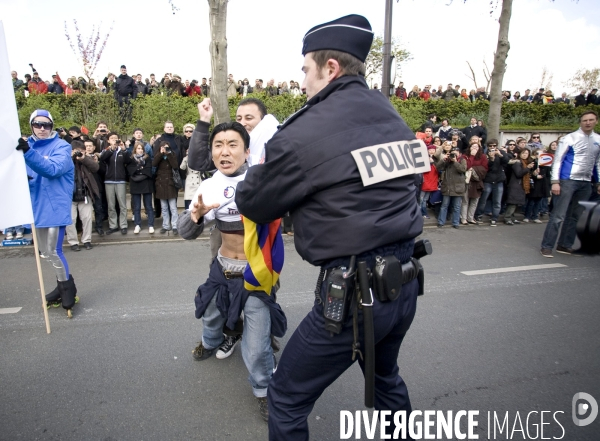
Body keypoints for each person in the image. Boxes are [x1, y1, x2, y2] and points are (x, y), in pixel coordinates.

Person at [235, 15, 425, 439]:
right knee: (385, 380)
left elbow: (255, 202)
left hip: (355, 292)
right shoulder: (390, 115)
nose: (301, 81)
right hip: (404, 280)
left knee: (285, 394)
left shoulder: (306, 130)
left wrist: (259, 165)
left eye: (305, 70)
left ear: (330, 69)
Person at [178, 121, 285, 422]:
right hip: (222, 269)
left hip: (255, 274)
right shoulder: (209, 185)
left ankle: (264, 391)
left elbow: (285, 215)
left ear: (247, 151)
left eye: (232, 144)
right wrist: (195, 217)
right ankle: (211, 342)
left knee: (256, 346)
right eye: (218, 145)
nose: (225, 152)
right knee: (210, 313)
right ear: (212, 152)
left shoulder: (261, 180)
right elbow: (185, 232)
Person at [16, 110, 78, 317]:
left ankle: (68, 289)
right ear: (31, 125)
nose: (42, 129)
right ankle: (61, 286)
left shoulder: (62, 146)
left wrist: (28, 153)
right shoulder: (26, 146)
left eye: (46, 125)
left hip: (54, 206)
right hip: (35, 206)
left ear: (52, 126)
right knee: (45, 253)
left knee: (53, 251)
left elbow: (52, 169)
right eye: (37, 124)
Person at [540, 111, 600, 257]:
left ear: (596, 121)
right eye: (585, 120)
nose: (588, 122)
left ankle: (565, 244)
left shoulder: (598, 139)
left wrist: (598, 182)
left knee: (575, 216)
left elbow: (598, 162)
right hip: (567, 180)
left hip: (586, 182)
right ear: (580, 122)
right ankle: (547, 245)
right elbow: (558, 160)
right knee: (558, 215)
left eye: (591, 120)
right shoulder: (569, 138)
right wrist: (555, 181)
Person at [65, 140, 100, 251]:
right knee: (71, 220)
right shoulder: (66, 160)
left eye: (81, 151)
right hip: (70, 196)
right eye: (76, 151)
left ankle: (87, 240)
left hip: (85, 194)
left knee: (87, 218)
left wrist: (83, 159)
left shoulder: (86, 160)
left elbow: (95, 168)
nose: (78, 154)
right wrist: (71, 157)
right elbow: (61, 168)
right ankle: (73, 242)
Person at [100, 133, 130, 234]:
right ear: (108, 140)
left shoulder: (122, 151)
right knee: (111, 205)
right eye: (112, 139)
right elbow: (103, 158)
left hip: (121, 180)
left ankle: (123, 225)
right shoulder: (106, 150)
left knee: (122, 204)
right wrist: (112, 149)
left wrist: (124, 149)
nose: (114, 140)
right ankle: (113, 225)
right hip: (109, 180)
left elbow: (128, 161)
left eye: (116, 138)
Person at [475, 139, 509, 226]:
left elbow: (507, 162)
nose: (492, 148)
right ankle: (478, 215)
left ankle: (494, 218)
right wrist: (491, 159)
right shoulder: (485, 154)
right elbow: (486, 167)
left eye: (494, 146)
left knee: (497, 201)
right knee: (483, 199)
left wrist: (500, 155)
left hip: (499, 180)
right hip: (488, 180)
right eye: (490, 146)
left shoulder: (501, 152)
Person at [436, 146, 467, 228]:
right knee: (444, 206)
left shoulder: (462, 160)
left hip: (458, 188)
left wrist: (455, 161)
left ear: (459, 153)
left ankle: (455, 223)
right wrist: (444, 159)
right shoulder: (447, 161)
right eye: (452, 153)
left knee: (456, 207)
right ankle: (441, 222)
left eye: (456, 152)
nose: (454, 154)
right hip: (448, 187)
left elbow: (463, 170)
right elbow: (438, 167)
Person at [127, 142, 155, 234]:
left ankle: (151, 225)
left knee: (148, 206)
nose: (140, 150)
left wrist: (138, 169)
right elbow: (130, 171)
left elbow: (148, 171)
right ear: (135, 149)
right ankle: (137, 225)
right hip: (135, 184)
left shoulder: (147, 159)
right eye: (138, 148)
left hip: (146, 184)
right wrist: (140, 168)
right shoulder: (131, 159)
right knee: (137, 207)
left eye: (141, 148)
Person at [153, 140, 180, 235]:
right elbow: (154, 163)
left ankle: (175, 225)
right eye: (163, 147)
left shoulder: (172, 155)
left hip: (170, 183)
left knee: (173, 207)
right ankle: (166, 225)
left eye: (167, 146)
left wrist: (168, 153)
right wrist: (161, 153)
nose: (165, 148)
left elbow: (175, 166)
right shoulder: (158, 155)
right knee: (164, 207)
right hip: (160, 183)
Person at [461, 137, 488, 224]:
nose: (475, 148)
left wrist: (474, 169)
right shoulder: (465, 156)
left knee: (474, 201)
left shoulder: (483, 156)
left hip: (477, 181)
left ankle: (470, 218)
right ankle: (463, 218)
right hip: (467, 182)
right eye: (473, 147)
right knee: (465, 201)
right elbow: (467, 167)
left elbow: (484, 168)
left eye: (476, 147)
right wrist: (472, 156)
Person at [504, 148, 534, 225]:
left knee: (516, 203)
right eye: (523, 153)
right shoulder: (517, 163)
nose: (525, 155)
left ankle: (512, 217)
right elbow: (519, 174)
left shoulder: (526, 163)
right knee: (512, 203)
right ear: (519, 154)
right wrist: (528, 168)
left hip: (521, 185)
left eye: (526, 153)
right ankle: (507, 217)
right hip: (515, 185)